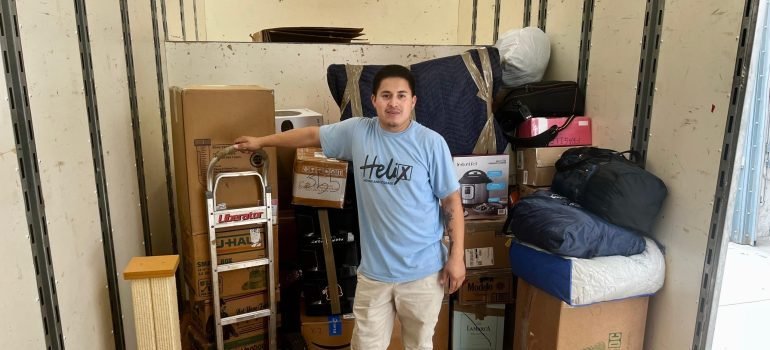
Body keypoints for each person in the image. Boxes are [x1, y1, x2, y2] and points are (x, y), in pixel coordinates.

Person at [234, 65, 465, 349]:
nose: (394, 103)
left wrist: (457, 257)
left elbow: (451, 201)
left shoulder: (431, 143)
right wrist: (261, 142)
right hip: (374, 275)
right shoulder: (359, 132)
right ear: (374, 100)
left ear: (413, 101)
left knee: (418, 345)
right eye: (386, 95)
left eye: (402, 96)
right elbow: (310, 136)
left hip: (423, 273)